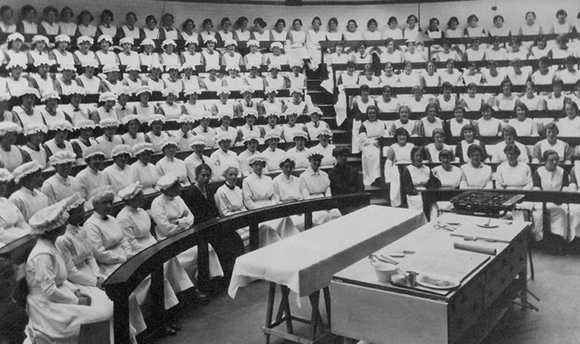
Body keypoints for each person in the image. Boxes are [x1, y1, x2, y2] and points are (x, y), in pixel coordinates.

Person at [25, 200, 113, 344]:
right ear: (53, 228)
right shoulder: (42, 255)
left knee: (107, 305)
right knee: (101, 315)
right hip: (46, 305)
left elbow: (62, 277)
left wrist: (76, 290)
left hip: (62, 293)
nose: (66, 224)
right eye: (62, 222)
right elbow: (49, 290)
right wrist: (76, 300)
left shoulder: (52, 246)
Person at [151, 173, 224, 278]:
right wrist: (183, 221)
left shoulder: (178, 199)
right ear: (169, 189)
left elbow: (191, 218)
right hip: (169, 241)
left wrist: (177, 222)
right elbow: (167, 229)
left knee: (207, 248)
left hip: (186, 234)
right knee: (198, 251)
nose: (181, 188)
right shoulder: (157, 203)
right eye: (177, 186)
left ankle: (209, 279)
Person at [181, 164, 244, 278]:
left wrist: (216, 219)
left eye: (208, 176)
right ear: (196, 176)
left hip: (212, 225)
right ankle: (222, 276)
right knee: (221, 243)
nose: (205, 178)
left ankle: (235, 271)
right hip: (200, 228)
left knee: (234, 236)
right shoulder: (191, 192)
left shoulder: (209, 191)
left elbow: (214, 210)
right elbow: (193, 216)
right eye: (203, 175)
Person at [214, 165, 276, 247]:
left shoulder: (238, 189)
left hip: (243, 217)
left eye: (235, 174)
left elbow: (243, 207)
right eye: (230, 174)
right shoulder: (221, 191)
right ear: (225, 176)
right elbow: (224, 213)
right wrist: (240, 217)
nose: (233, 177)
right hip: (232, 221)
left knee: (263, 227)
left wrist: (245, 215)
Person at [243, 155, 299, 240]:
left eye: (261, 164)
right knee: (268, 227)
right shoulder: (247, 180)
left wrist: (272, 205)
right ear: (251, 166)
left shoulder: (268, 179)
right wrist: (259, 210)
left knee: (285, 219)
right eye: (256, 165)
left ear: (263, 165)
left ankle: (289, 240)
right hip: (257, 211)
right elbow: (247, 200)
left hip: (270, 207)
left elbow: (274, 195)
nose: (259, 167)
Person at [532, 150, 571, 255]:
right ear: (545, 160)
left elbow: (565, 188)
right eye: (551, 160)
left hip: (558, 200)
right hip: (541, 200)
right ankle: (543, 241)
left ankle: (558, 241)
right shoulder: (538, 172)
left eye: (556, 160)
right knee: (539, 212)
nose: (554, 162)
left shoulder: (563, 172)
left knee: (561, 212)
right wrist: (546, 198)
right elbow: (536, 189)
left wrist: (559, 198)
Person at [299, 152, 342, 225]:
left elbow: (328, 193)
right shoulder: (303, 176)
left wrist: (327, 204)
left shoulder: (324, 175)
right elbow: (306, 196)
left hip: (325, 203)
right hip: (312, 205)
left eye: (319, 160)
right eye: (314, 160)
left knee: (337, 214)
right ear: (310, 160)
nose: (317, 162)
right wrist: (319, 206)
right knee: (324, 216)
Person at [401, 145, 441, 211]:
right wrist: (417, 192)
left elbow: (431, 184)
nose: (418, 158)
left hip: (426, 193)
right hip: (414, 195)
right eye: (416, 155)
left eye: (421, 156)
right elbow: (407, 187)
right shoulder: (408, 169)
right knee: (420, 202)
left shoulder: (427, 169)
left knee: (433, 204)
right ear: (413, 156)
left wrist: (427, 192)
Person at [0, 168, 30, 244]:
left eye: (4, 183)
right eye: (0, 184)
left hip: (21, 238)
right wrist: (23, 238)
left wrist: (27, 234)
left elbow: (22, 223)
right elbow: (2, 236)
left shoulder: (5, 201)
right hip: (5, 244)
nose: (3, 187)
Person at [385, 127, 413, 207]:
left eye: (404, 135)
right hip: (397, 170)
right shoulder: (392, 147)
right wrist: (388, 179)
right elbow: (388, 164)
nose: (402, 137)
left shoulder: (411, 146)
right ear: (396, 136)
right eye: (400, 135)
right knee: (397, 191)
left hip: (409, 170)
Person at [359, 105, 386, 186]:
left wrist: (381, 142)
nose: (372, 115)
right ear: (367, 114)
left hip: (381, 143)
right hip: (368, 145)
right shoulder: (364, 125)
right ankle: (374, 178)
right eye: (370, 113)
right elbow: (362, 140)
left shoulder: (382, 123)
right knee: (374, 156)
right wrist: (373, 142)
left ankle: (383, 177)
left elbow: (386, 135)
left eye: (374, 113)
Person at [430, 149, 462, 218]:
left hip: (453, 199)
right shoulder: (435, 170)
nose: (445, 160)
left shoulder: (457, 170)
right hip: (439, 199)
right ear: (440, 159)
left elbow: (458, 187)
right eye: (443, 158)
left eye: (448, 158)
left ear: (451, 158)